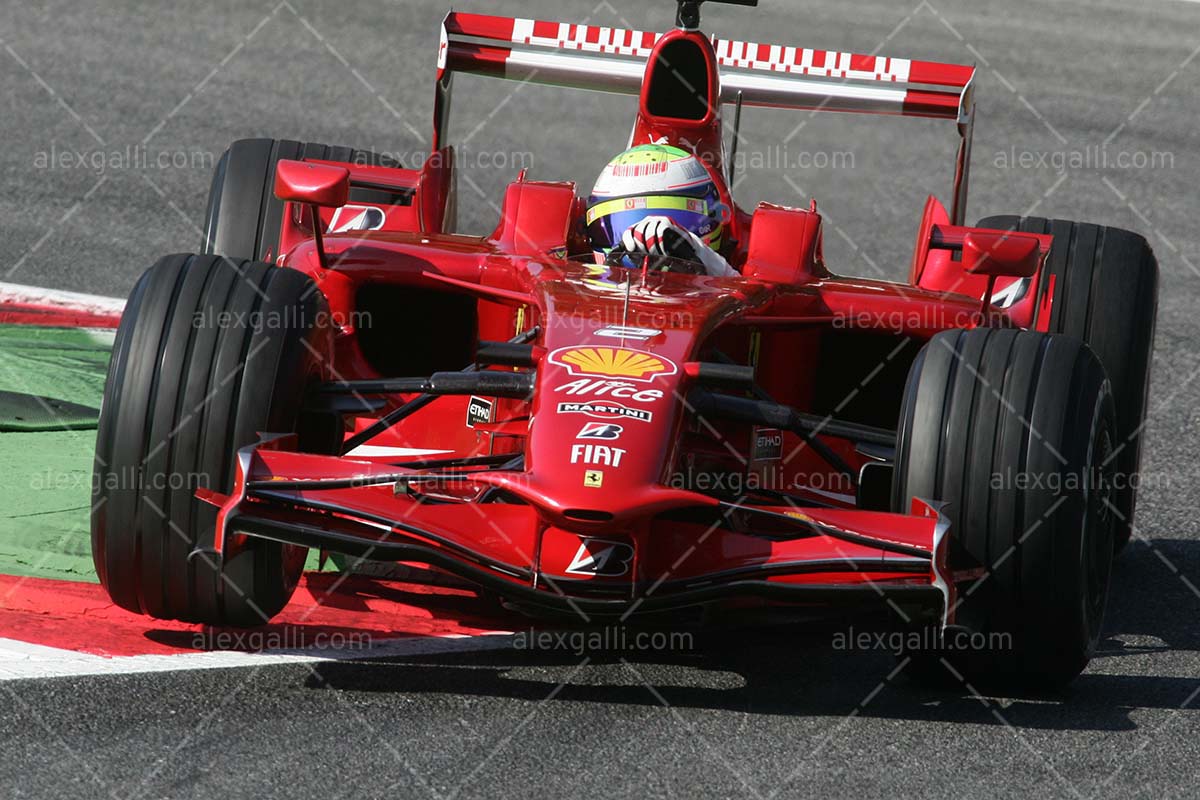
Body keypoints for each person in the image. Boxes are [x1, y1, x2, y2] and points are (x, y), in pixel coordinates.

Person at [584, 144, 737, 277]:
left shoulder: (726, 289)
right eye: (628, 223)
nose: (647, 244)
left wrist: (699, 254)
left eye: (679, 221)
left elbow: (752, 298)